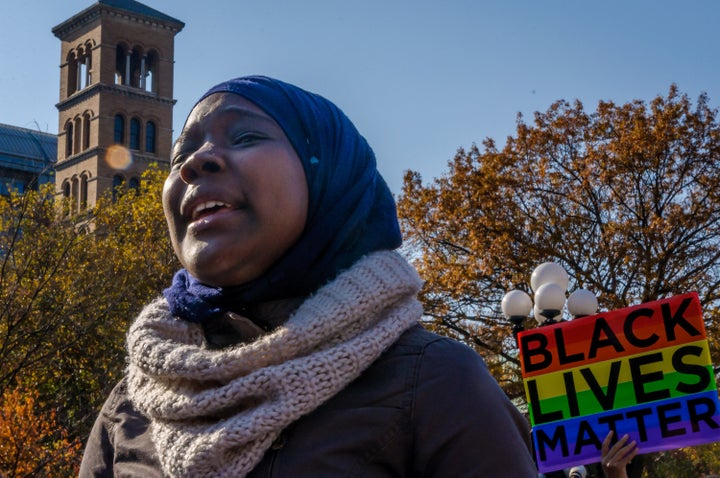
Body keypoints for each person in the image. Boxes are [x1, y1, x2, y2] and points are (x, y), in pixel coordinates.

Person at [78, 75, 537, 477]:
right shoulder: (133, 403)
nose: (195, 162)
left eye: (244, 137)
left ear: (329, 178)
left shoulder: (435, 380)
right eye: (183, 152)